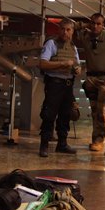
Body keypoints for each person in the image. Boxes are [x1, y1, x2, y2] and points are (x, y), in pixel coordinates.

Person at [75, 13, 105, 151]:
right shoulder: (85, 36)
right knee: (94, 111)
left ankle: (99, 140)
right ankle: (96, 138)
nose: (95, 26)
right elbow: (72, 25)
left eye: (99, 24)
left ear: (103, 25)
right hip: (90, 79)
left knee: (102, 111)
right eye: (93, 23)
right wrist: (86, 25)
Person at [38, 19, 81, 157]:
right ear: (58, 30)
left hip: (68, 85)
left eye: (68, 30)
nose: (65, 32)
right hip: (54, 84)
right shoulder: (52, 43)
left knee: (65, 115)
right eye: (63, 29)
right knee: (49, 114)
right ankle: (44, 144)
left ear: (72, 31)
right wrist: (62, 64)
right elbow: (43, 64)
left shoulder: (73, 47)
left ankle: (62, 144)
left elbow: (76, 64)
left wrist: (77, 69)